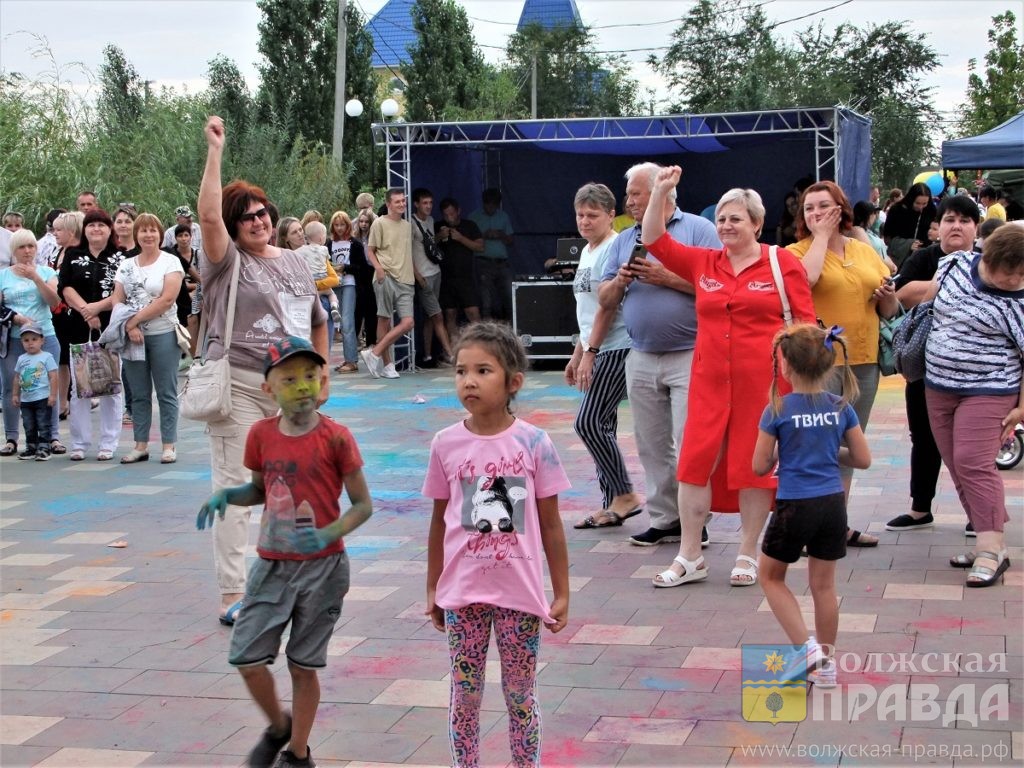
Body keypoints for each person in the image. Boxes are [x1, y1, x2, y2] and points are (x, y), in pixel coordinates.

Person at [196, 336, 372, 768]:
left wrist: (330, 531)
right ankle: (278, 726)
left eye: (311, 376)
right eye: (289, 379)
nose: (302, 387)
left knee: (302, 665)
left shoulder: (337, 438)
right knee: (247, 657)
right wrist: (227, 496)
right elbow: (260, 490)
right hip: (272, 566)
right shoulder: (260, 434)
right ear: (268, 389)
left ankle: (297, 753)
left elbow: (363, 505)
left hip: (324, 569)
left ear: (322, 381)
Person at [641, 166, 816, 588]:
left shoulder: (782, 263)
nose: (726, 225)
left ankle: (747, 552)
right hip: (708, 383)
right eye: (721, 218)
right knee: (693, 465)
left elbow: (806, 325)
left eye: (736, 218)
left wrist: (798, 377)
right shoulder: (704, 263)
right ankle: (689, 556)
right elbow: (653, 240)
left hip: (764, 385)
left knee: (752, 466)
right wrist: (660, 192)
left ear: (757, 223)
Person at [197, 115, 329, 625]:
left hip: (292, 392)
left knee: (293, 487)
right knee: (236, 487)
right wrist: (215, 152)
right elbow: (209, 219)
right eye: (246, 216)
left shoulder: (297, 261)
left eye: (262, 213)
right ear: (234, 227)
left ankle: (285, 579)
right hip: (240, 387)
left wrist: (322, 376)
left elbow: (318, 320)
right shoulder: (224, 261)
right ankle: (233, 592)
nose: (258, 221)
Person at [424, 321, 570, 768]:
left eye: (483, 371)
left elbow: (551, 525)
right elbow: (437, 524)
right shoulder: (445, 444)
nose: (469, 380)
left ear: (513, 382)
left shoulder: (535, 442)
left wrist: (561, 592)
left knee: (520, 695)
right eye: (461, 370)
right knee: (464, 696)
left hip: (520, 598)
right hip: (462, 595)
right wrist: (433, 588)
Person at [597, 162, 721, 549]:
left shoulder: (700, 231)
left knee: (689, 443)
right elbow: (602, 299)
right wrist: (619, 281)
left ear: (661, 192)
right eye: (629, 193)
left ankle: (694, 521)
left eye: (636, 193)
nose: (628, 201)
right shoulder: (622, 239)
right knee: (651, 444)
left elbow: (721, 287)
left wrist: (668, 279)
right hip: (641, 355)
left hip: (691, 353)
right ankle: (666, 519)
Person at [753, 323, 871, 689]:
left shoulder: (777, 408)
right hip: (833, 505)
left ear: (785, 365)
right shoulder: (841, 407)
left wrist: (788, 450)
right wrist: (824, 448)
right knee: (824, 587)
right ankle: (827, 666)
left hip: (794, 505)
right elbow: (862, 459)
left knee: (770, 576)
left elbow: (759, 466)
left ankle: (805, 650)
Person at [787, 181, 901, 548]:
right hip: (819, 364)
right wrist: (820, 237)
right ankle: (807, 527)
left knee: (849, 445)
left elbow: (887, 309)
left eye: (824, 206)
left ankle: (836, 525)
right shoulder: (796, 251)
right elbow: (806, 281)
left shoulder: (864, 249)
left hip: (863, 360)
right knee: (815, 444)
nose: (816, 214)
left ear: (842, 209)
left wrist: (889, 296)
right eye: (809, 208)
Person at [923, 224, 1024, 587]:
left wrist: (1022, 406)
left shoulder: (1021, 301)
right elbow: (931, 301)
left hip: (990, 390)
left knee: (974, 463)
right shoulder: (955, 265)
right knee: (957, 463)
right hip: (938, 386)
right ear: (989, 258)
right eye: (1009, 271)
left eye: (1022, 273)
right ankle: (989, 536)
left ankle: (989, 549)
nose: (1015, 279)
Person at [886, 196, 979, 533]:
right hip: (924, 367)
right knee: (923, 438)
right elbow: (901, 294)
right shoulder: (923, 258)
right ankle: (920, 508)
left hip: (974, 371)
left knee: (971, 446)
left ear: (976, 228)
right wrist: (953, 288)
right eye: (950, 220)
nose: (957, 226)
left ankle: (979, 513)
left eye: (965, 221)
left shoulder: (988, 261)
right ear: (937, 228)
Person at [565, 183, 642, 529]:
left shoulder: (615, 248)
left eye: (592, 215)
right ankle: (612, 503)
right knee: (603, 424)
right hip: (596, 344)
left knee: (589, 422)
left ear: (612, 215)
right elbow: (588, 308)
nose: (585, 221)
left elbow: (608, 309)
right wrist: (577, 351)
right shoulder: (587, 250)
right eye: (580, 214)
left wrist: (590, 353)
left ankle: (625, 494)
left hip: (616, 346)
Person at [108, 212, 185, 465]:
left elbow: (167, 299)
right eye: (143, 230)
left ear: (160, 234)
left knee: (166, 391)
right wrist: (130, 326)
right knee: (139, 393)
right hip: (133, 337)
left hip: (163, 332)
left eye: (153, 230)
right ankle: (140, 445)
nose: (148, 235)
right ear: (136, 234)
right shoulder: (126, 265)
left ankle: (169, 445)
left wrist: (134, 320)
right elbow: (117, 298)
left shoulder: (170, 262)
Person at [59, 208, 125, 460]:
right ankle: (80, 443)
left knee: (110, 385)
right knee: (79, 386)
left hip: (111, 326)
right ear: (84, 229)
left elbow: (123, 292)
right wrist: (87, 311)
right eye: (91, 225)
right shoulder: (73, 255)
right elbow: (65, 288)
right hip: (78, 325)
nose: (96, 229)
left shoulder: (121, 257)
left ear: (110, 230)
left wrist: (98, 308)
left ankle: (109, 442)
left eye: (101, 225)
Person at [0, 231, 61, 458]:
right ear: (13, 251)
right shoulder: (3, 276)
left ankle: (53, 437)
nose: (27, 251)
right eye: (21, 247)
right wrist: (16, 318)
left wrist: (36, 278)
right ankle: (11, 438)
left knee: (49, 386)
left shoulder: (46, 272)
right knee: (11, 386)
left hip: (44, 335)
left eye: (31, 246)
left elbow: (54, 302)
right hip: (14, 338)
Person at [361, 188, 415, 380]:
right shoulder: (379, 223)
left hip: (407, 279)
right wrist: (379, 269)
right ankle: (387, 364)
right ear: (389, 203)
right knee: (384, 319)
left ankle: (374, 353)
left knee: (408, 322)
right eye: (397, 201)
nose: (401, 204)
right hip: (386, 276)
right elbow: (370, 250)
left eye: (403, 201)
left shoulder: (408, 226)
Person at [410, 188, 454, 368]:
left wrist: (439, 237)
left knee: (430, 317)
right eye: (425, 203)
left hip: (436, 272)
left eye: (430, 203)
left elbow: (428, 244)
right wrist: (417, 276)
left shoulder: (431, 220)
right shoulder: (410, 224)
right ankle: (452, 355)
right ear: (416, 204)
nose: (428, 206)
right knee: (437, 315)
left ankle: (428, 356)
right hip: (424, 276)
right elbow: (407, 253)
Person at [49, 211, 83, 420]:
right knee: (61, 359)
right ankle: (63, 400)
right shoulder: (58, 251)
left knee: (73, 357)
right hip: (57, 312)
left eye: (59, 229)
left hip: (73, 311)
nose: (55, 233)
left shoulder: (79, 254)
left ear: (72, 231)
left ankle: (74, 398)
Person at [435, 198, 483, 344]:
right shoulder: (438, 226)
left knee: (473, 312)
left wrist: (461, 238)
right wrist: (438, 237)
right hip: (446, 278)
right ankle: (456, 350)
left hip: (466, 277)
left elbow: (480, 247)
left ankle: (480, 346)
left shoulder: (470, 225)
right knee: (450, 314)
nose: (449, 217)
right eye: (446, 215)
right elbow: (426, 245)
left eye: (452, 213)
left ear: (458, 211)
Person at [11, 322, 59, 461]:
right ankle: (31, 447)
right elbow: (17, 377)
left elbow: (53, 376)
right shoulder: (21, 359)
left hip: (42, 398)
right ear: (21, 342)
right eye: (26, 340)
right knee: (28, 424)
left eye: (34, 339)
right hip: (26, 399)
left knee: (43, 423)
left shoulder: (46, 357)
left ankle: (44, 448)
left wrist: (53, 395)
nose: (30, 343)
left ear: (42, 340)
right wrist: (15, 394)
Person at [326, 211, 365, 373]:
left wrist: (345, 268)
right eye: (337, 225)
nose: (340, 228)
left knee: (348, 322)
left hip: (349, 283)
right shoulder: (328, 244)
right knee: (339, 323)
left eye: (342, 224)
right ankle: (348, 359)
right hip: (333, 284)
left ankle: (351, 360)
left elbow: (361, 267)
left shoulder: (354, 244)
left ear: (348, 225)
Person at [468, 188, 514, 321]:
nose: (491, 208)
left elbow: (511, 241)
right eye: (488, 204)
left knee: (510, 295)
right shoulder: (474, 217)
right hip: (483, 262)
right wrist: (484, 235)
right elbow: (467, 241)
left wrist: (501, 235)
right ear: (483, 203)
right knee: (485, 298)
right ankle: (487, 328)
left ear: (498, 205)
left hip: (502, 262)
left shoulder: (503, 216)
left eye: (494, 205)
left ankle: (511, 326)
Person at [166, 222, 202, 359]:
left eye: (186, 235)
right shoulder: (170, 253)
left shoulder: (198, 254)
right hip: (177, 293)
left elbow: (198, 277)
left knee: (192, 316)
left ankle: (195, 355)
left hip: (193, 294)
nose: (183, 238)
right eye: (180, 235)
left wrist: (197, 287)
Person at [882, 182, 935, 267]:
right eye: (917, 203)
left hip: (923, 260)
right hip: (898, 262)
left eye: (924, 204)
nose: (921, 207)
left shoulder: (931, 211)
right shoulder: (897, 210)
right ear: (911, 199)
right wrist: (908, 244)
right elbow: (887, 238)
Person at [352, 209, 378, 349]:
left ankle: (371, 341)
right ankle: (355, 340)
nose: (363, 224)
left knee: (371, 309)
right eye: (361, 221)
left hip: (371, 271)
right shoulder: (355, 238)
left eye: (366, 222)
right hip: (359, 273)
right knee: (358, 309)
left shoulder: (373, 236)